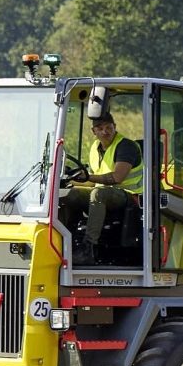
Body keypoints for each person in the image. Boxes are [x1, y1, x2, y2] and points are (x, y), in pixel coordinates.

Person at [65, 108, 142, 259]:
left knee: (98, 194)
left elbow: (117, 178)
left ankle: (88, 248)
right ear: (93, 131)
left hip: (130, 196)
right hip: (106, 192)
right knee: (70, 193)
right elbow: (93, 180)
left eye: (109, 128)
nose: (105, 132)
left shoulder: (126, 146)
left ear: (115, 126)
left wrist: (87, 177)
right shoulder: (94, 148)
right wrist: (72, 180)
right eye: (100, 129)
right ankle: (69, 240)